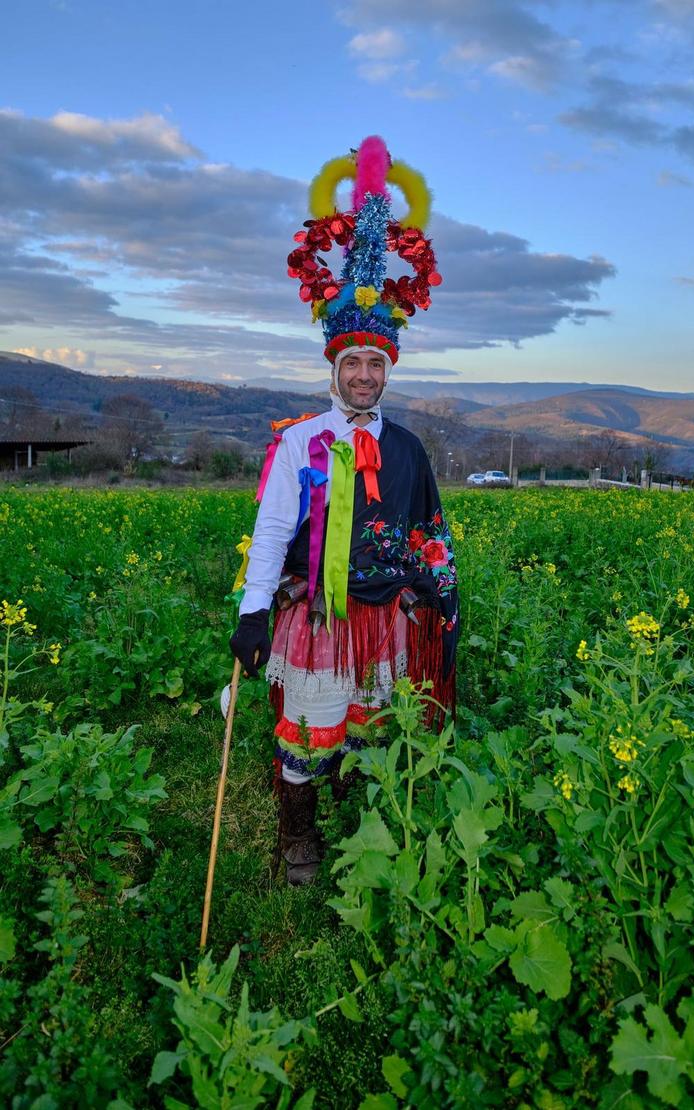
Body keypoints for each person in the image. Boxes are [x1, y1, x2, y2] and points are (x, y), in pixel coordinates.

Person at [230, 136, 458, 884]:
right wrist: (253, 610)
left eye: (374, 365)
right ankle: (298, 834)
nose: (363, 375)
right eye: (352, 363)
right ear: (334, 368)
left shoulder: (411, 448)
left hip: (381, 614)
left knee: (369, 724)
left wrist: (432, 597)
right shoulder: (301, 442)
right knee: (312, 718)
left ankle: (359, 819)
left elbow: (428, 536)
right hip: (319, 614)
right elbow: (271, 529)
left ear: (387, 371)